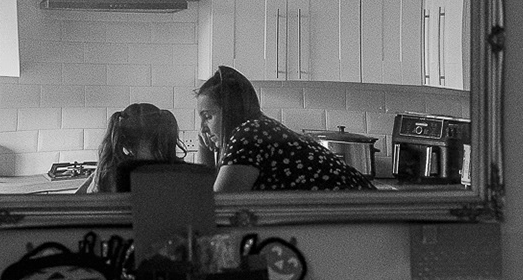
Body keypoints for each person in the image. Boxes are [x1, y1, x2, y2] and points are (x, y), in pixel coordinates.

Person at [195, 65, 373, 192]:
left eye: (208, 116)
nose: (203, 129)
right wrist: (204, 146)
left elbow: (218, 209)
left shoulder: (248, 136)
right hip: (362, 214)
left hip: (365, 217)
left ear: (231, 111)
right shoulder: (257, 129)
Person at [79, 102, 184, 193]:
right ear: (164, 135)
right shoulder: (180, 172)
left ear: (124, 139)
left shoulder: (109, 172)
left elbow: (81, 201)